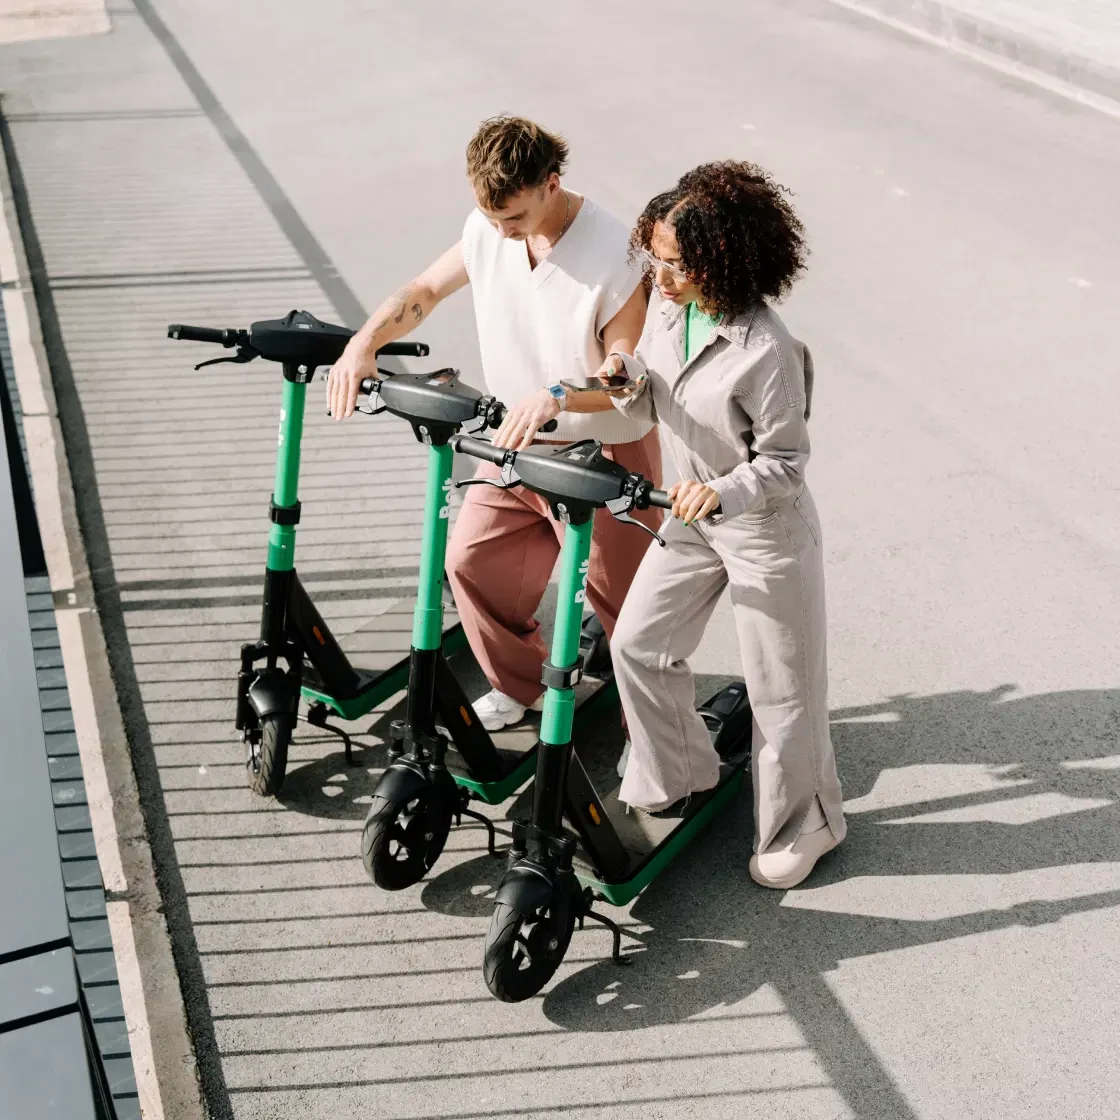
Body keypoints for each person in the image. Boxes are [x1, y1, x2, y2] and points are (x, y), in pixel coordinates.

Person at [327, 115, 661, 730]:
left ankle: (664, 730)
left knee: (629, 609)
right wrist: (362, 344)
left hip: (604, 454)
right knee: (472, 563)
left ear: (551, 184)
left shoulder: (617, 253)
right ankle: (519, 684)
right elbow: (425, 289)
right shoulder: (488, 229)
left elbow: (627, 375)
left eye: (514, 217)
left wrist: (558, 393)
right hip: (516, 446)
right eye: (491, 217)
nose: (502, 231)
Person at [602, 161, 845, 889]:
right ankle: (682, 772)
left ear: (721, 259)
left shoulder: (769, 349)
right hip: (688, 515)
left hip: (763, 528)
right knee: (638, 646)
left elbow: (786, 461)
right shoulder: (671, 312)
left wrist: (722, 494)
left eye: (675, 263)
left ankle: (810, 826)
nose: (661, 276)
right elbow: (653, 405)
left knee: (783, 691)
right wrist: (630, 379)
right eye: (654, 259)